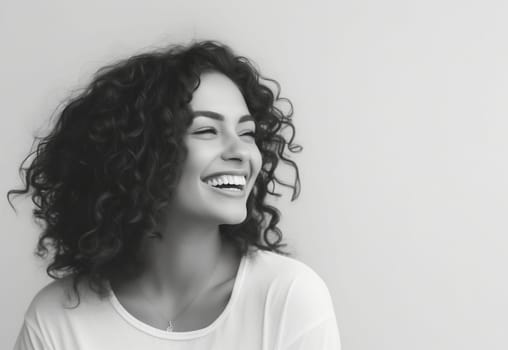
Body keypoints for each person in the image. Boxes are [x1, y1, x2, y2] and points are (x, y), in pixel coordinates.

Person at [8, 40, 341, 349]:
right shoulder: (57, 318)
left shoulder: (288, 296)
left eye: (247, 132)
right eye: (207, 130)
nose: (241, 151)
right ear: (140, 155)